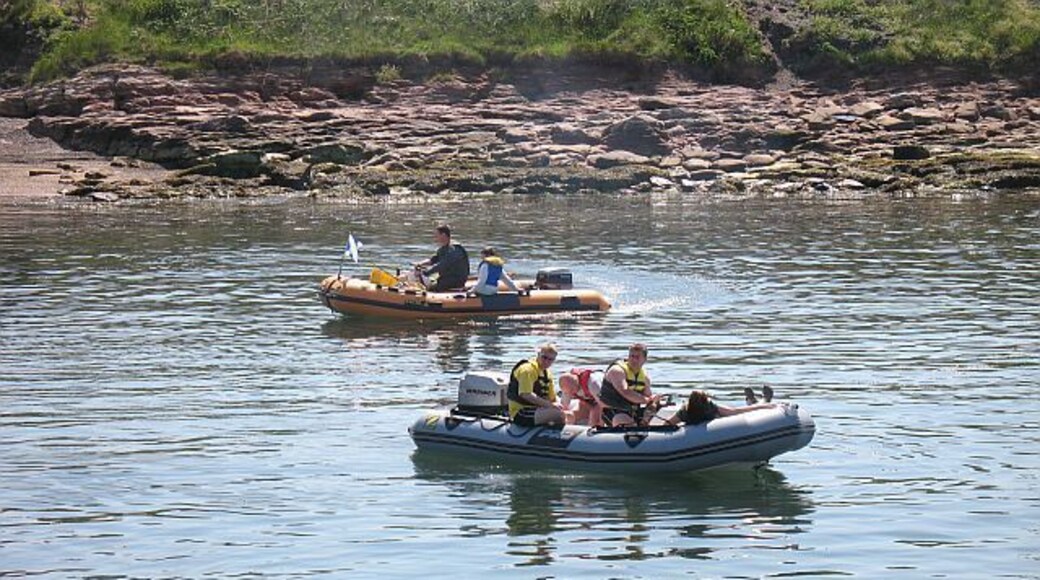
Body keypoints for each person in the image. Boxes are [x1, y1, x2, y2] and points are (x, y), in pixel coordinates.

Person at [507, 343, 572, 427]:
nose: (546, 361)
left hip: (537, 409)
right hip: (521, 412)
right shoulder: (527, 370)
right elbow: (525, 394)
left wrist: (561, 406)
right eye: (544, 357)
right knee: (558, 414)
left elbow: (552, 398)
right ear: (538, 355)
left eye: (550, 359)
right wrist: (551, 406)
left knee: (567, 412)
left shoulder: (547, 373)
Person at [598, 343, 661, 427]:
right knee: (623, 419)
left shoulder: (645, 377)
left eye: (637, 357)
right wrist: (646, 399)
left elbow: (648, 397)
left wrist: (655, 400)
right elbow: (626, 392)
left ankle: (643, 424)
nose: (634, 360)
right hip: (613, 411)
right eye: (632, 356)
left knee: (655, 404)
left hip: (633, 411)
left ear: (644, 359)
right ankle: (633, 428)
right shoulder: (617, 371)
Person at [666, 390, 778, 426]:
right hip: (716, 424)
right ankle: (762, 402)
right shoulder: (709, 407)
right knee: (733, 411)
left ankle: (760, 402)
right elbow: (736, 412)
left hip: (717, 423)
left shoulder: (685, 412)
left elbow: (667, 425)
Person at [413, 224, 470, 292]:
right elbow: (433, 260)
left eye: (437, 235)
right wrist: (420, 264)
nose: (435, 238)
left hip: (456, 279)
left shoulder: (454, 249)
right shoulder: (443, 248)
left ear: (443, 235)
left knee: (433, 288)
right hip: (445, 278)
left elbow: (442, 265)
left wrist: (426, 272)